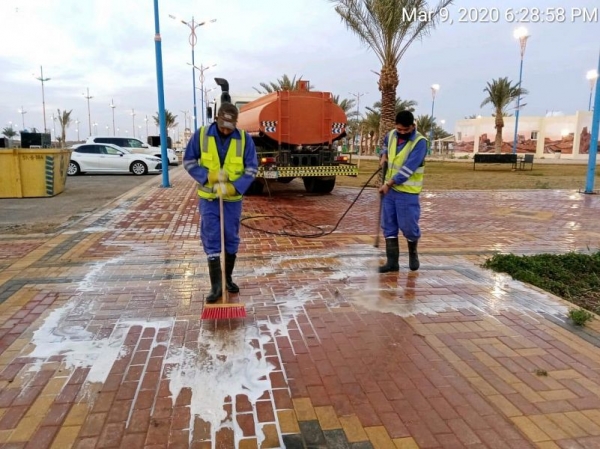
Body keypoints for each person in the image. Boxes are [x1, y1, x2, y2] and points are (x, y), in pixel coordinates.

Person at [183, 103, 258, 302]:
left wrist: (236, 187)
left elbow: (252, 168)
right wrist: (208, 176)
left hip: (232, 200)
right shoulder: (201, 136)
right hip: (209, 199)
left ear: (235, 123)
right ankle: (216, 286)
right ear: (216, 119)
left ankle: (228, 279)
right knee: (212, 237)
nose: (225, 130)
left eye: (229, 127)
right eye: (222, 125)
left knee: (231, 238)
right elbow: (189, 161)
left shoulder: (244, 139)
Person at [378, 110, 427, 273]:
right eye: (400, 130)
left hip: (407, 193)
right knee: (388, 225)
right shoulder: (391, 134)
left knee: (408, 227)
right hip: (390, 192)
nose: (402, 133)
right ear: (395, 126)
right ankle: (392, 262)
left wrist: (389, 184)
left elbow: (408, 169)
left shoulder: (420, 142)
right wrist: (383, 154)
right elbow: (385, 145)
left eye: (406, 130)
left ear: (413, 126)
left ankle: (413, 252)